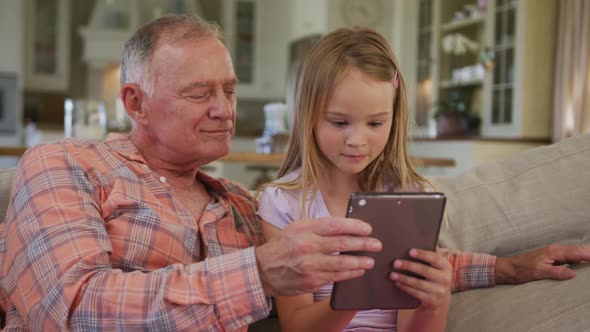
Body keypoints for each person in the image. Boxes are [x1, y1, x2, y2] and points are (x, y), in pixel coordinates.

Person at [0, 14, 588, 331]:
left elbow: (383, 257)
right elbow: (70, 311)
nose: (224, 109)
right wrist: (257, 274)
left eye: (229, 90)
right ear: (134, 102)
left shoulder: (238, 204)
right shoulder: (64, 164)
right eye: (200, 92)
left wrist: (510, 267)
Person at [256, 27, 590, 331]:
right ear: (309, 116)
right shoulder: (282, 202)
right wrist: (356, 294)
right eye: (339, 123)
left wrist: (436, 300)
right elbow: (297, 326)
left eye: (375, 124)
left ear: (394, 117)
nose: (357, 140)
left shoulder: (410, 194)